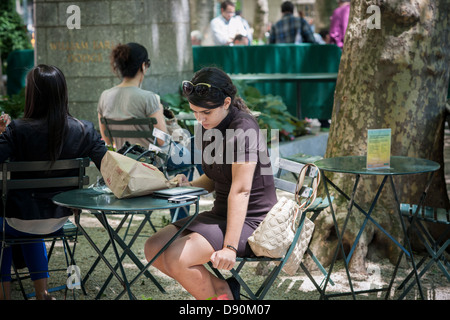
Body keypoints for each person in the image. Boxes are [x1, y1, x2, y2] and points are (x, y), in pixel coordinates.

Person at [143, 67, 278, 300]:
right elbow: (213, 178)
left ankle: (216, 299)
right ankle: (223, 291)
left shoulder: (243, 128)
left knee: (177, 257)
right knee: (153, 247)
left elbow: (241, 190)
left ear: (226, 102)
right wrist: (187, 186)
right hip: (222, 214)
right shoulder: (209, 125)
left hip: (252, 219)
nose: (200, 119)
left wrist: (230, 248)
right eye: (195, 112)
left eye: (205, 112)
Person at [0, 64, 107, 300]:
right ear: (63, 93)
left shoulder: (16, 130)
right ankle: (42, 293)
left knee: (7, 228)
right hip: (59, 219)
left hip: (17, 220)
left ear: (32, 95)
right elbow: (109, 168)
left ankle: (4, 295)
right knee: (27, 220)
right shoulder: (85, 130)